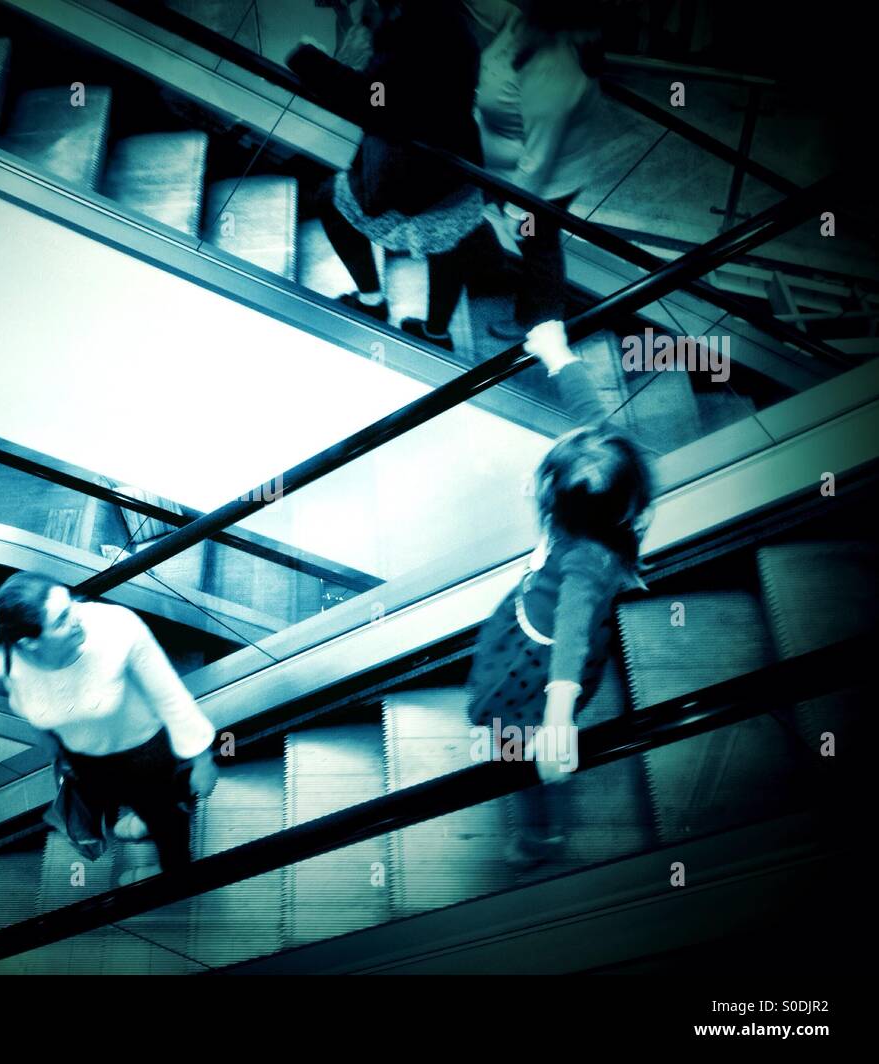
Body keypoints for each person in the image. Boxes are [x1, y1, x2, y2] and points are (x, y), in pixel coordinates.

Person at [465, 320, 653, 868]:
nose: (536, 483)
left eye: (544, 481)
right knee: (510, 739)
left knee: (513, 748)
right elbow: (591, 415)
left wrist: (556, 718)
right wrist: (557, 355)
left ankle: (539, 835)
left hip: (534, 662)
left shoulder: (584, 563)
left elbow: (570, 633)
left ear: (564, 510)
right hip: (534, 628)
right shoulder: (613, 476)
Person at [0, 573, 218, 884]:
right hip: (82, 756)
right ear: (29, 642)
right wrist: (53, 746)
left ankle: (175, 870)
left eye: (71, 604)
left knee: (162, 812)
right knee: (126, 797)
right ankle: (148, 815)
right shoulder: (1, 657)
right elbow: (23, 696)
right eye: (62, 619)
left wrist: (203, 760)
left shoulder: (117, 629)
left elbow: (168, 694)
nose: (78, 617)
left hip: (141, 750)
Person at [288, 1, 495, 351]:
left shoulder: (407, 38)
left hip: (403, 177)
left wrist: (308, 58)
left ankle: (372, 300)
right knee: (451, 246)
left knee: (330, 200)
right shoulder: (458, 29)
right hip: (455, 167)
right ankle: (436, 332)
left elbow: (373, 101)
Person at [474, 0, 607, 339]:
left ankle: (537, 322)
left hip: (541, 185)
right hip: (499, 169)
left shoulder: (555, 66)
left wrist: (517, 212)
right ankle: (488, 271)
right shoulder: (519, 21)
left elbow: (538, 157)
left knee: (538, 247)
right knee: (469, 212)